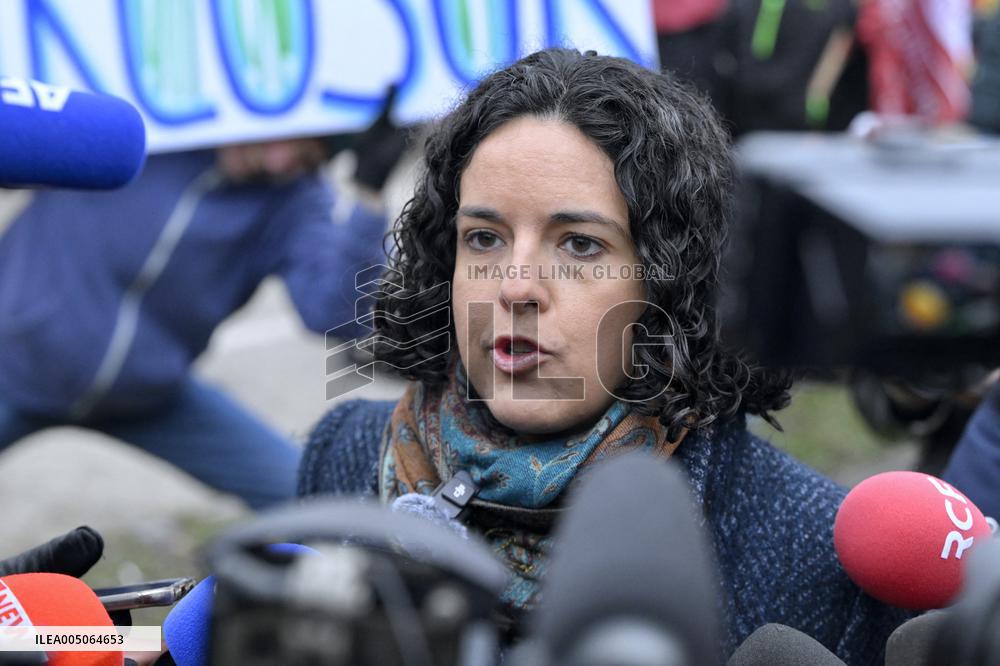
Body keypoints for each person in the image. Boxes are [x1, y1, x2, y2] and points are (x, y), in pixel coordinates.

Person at [298, 49, 910, 663]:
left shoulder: (807, 544)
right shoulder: (343, 453)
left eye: (581, 245)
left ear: (672, 280)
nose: (515, 287)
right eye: (484, 238)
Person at [0, 94, 407, 510]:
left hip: (149, 393)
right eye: (285, 137)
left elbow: (332, 313)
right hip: (14, 366)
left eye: (306, 160)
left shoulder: (295, 198)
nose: (281, 163)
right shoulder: (132, 124)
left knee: (316, 500)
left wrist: (367, 197)